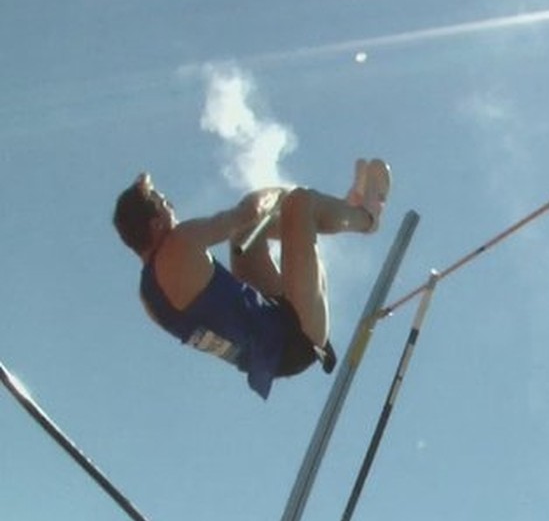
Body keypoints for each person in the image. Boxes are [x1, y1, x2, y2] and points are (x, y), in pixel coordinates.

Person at [112, 159, 392, 399]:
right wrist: (278, 195)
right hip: (298, 336)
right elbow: (248, 211)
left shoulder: (148, 296)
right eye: (164, 203)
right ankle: (366, 217)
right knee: (300, 201)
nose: (171, 205)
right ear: (156, 223)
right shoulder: (179, 242)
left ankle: (336, 212)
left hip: (271, 345)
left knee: (244, 234)